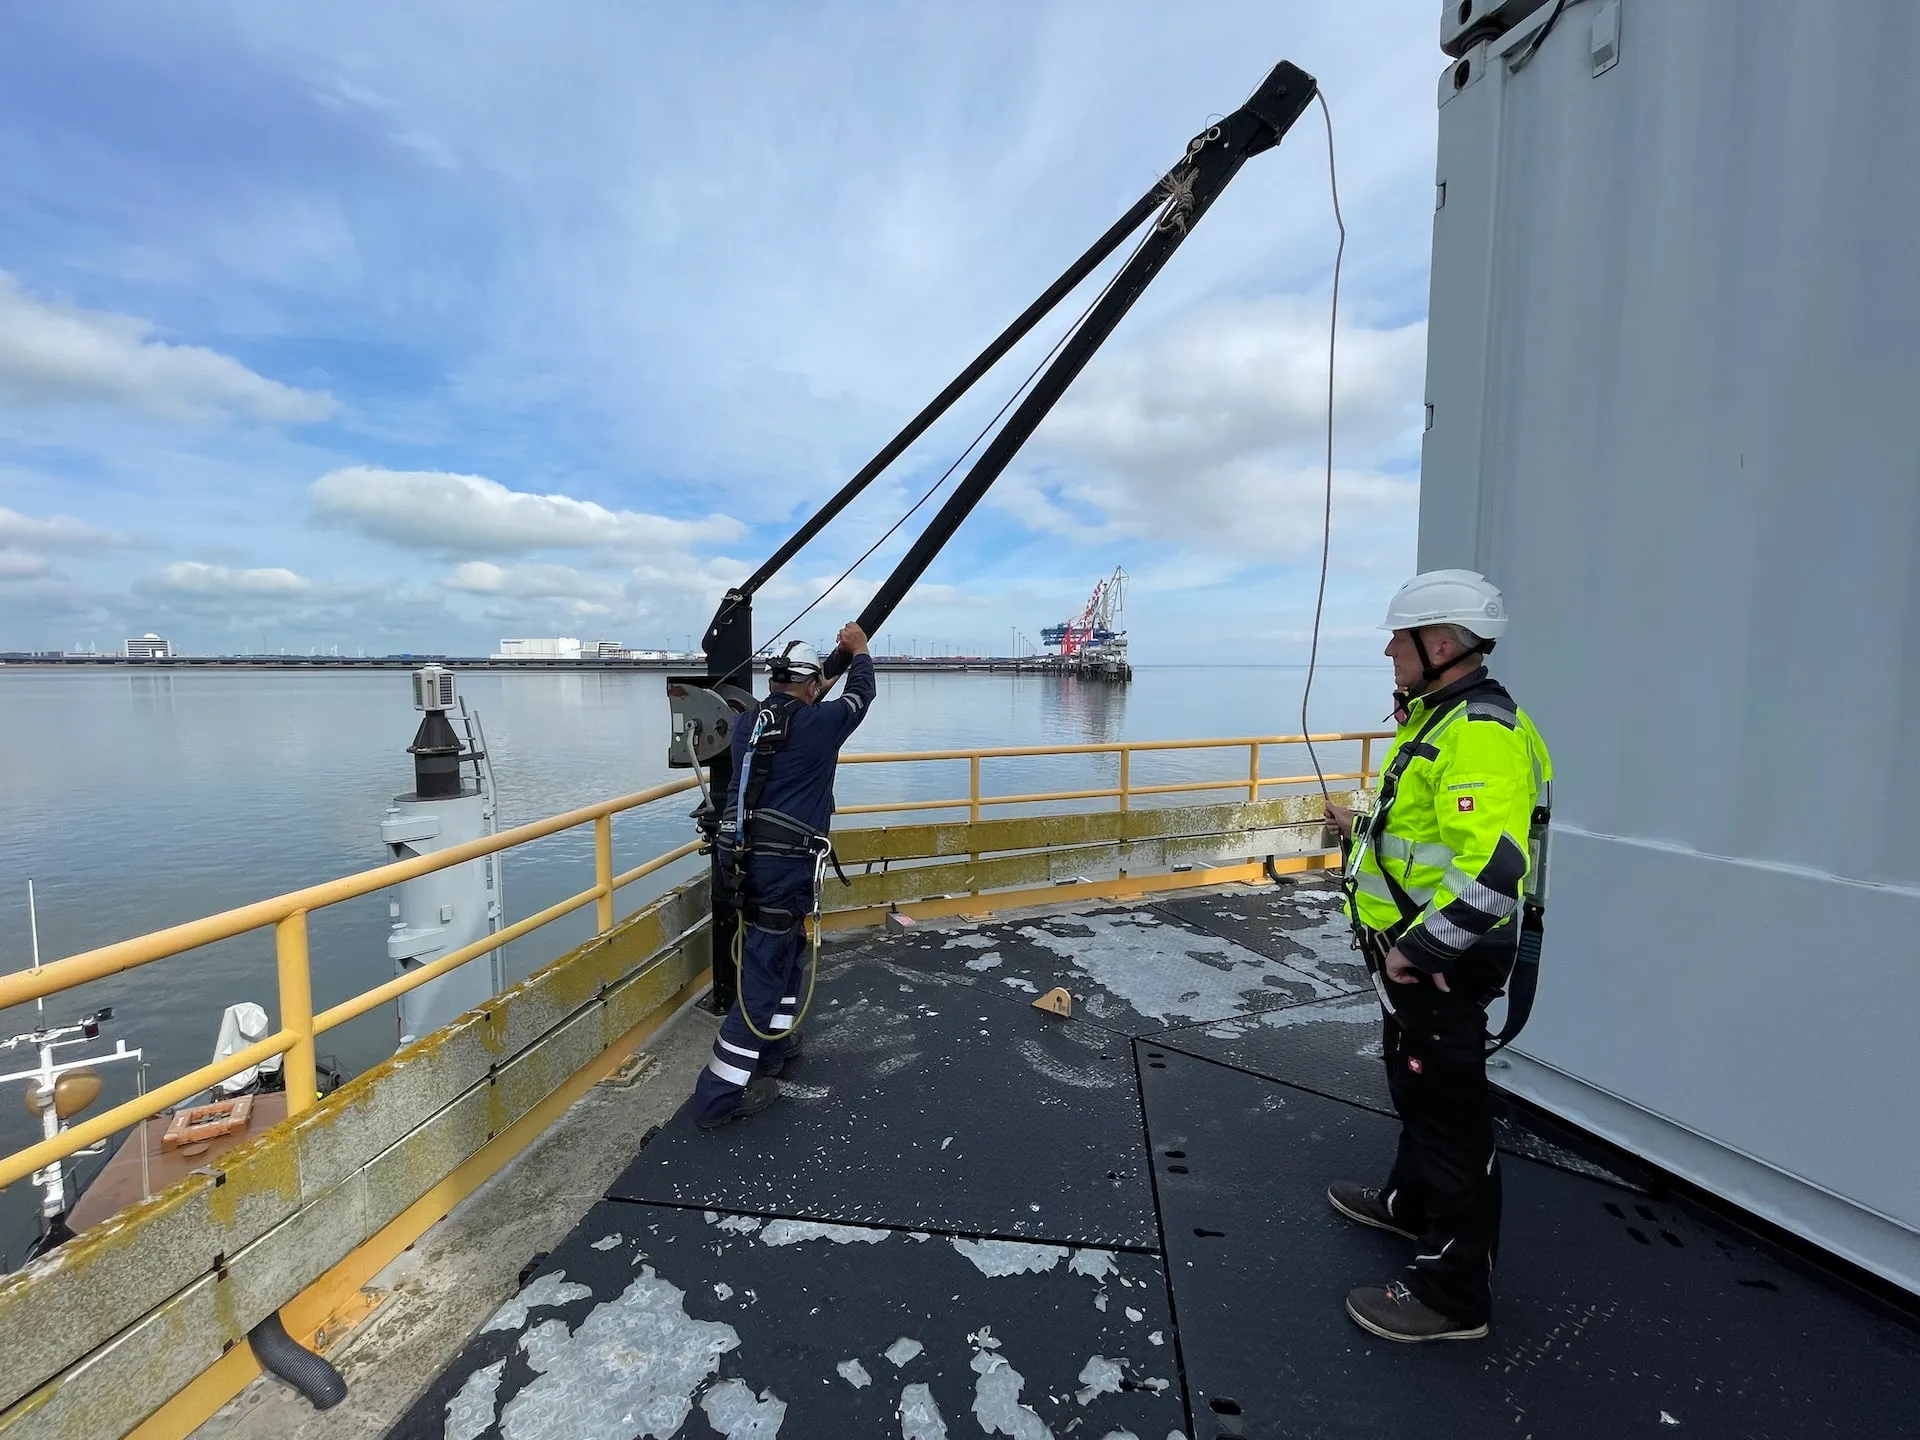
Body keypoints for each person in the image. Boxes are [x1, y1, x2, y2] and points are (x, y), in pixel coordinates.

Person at [1321, 569, 1553, 1342]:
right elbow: (1425, 845)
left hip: (1438, 961)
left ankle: (1454, 1298)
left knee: (1451, 1119)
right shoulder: (1439, 720)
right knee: (1416, 1087)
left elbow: (1494, 869)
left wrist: (1416, 952)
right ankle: (1408, 1206)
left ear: (1442, 643)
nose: (1389, 650)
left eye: (1400, 637)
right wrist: (1355, 833)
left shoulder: (1477, 733)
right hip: (1418, 957)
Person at [691, 622, 875, 1128]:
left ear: (774, 680)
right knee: (766, 974)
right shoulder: (820, 724)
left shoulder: (750, 723)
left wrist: (833, 660)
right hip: (785, 866)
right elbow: (863, 692)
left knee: (788, 951)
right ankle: (717, 1097)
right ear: (812, 686)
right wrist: (858, 651)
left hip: (745, 865)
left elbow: (810, 695)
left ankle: (776, 1046)